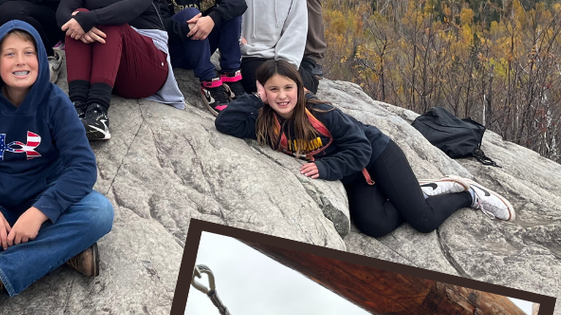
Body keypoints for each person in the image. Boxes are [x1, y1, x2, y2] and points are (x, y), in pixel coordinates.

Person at [0, 23, 113, 315]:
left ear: (41, 59)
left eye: (29, 53)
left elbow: (82, 166)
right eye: (10, 54)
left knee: (99, 213)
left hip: (43, 201)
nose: (20, 61)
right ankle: (64, 249)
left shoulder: (56, 103)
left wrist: (41, 212)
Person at [216, 58, 516, 236]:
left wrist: (324, 167)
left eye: (288, 88)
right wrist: (255, 99)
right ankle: (414, 191)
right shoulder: (263, 119)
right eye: (273, 89)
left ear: (300, 88)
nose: (282, 96)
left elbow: (360, 148)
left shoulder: (320, 112)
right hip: (354, 175)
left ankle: (468, 195)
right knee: (375, 225)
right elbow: (225, 123)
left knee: (423, 220)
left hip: (375, 154)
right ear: (264, 91)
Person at [57, 0, 184, 142]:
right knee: (79, 17)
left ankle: (98, 113)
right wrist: (82, 19)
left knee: (109, 22)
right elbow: (63, 15)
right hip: (112, 74)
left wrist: (90, 19)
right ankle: (76, 106)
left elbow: (132, 7)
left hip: (148, 66)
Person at [155, 0, 247, 114]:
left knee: (229, 10)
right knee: (190, 13)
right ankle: (209, 82)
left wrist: (212, 19)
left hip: (205, 46)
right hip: (178, 51)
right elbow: (157, 23)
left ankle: (230, 75)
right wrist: (184, 27)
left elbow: (238, 2)